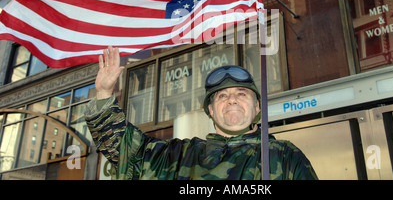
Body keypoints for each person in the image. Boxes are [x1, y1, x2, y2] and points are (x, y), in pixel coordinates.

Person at [85, 46, 317, 180]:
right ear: (211, 111)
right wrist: (105, 93)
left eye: (242, 94)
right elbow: (127, 151)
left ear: (258, 108)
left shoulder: (285, 156)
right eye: (222, 96)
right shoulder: (180, 156)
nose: (232, 99)